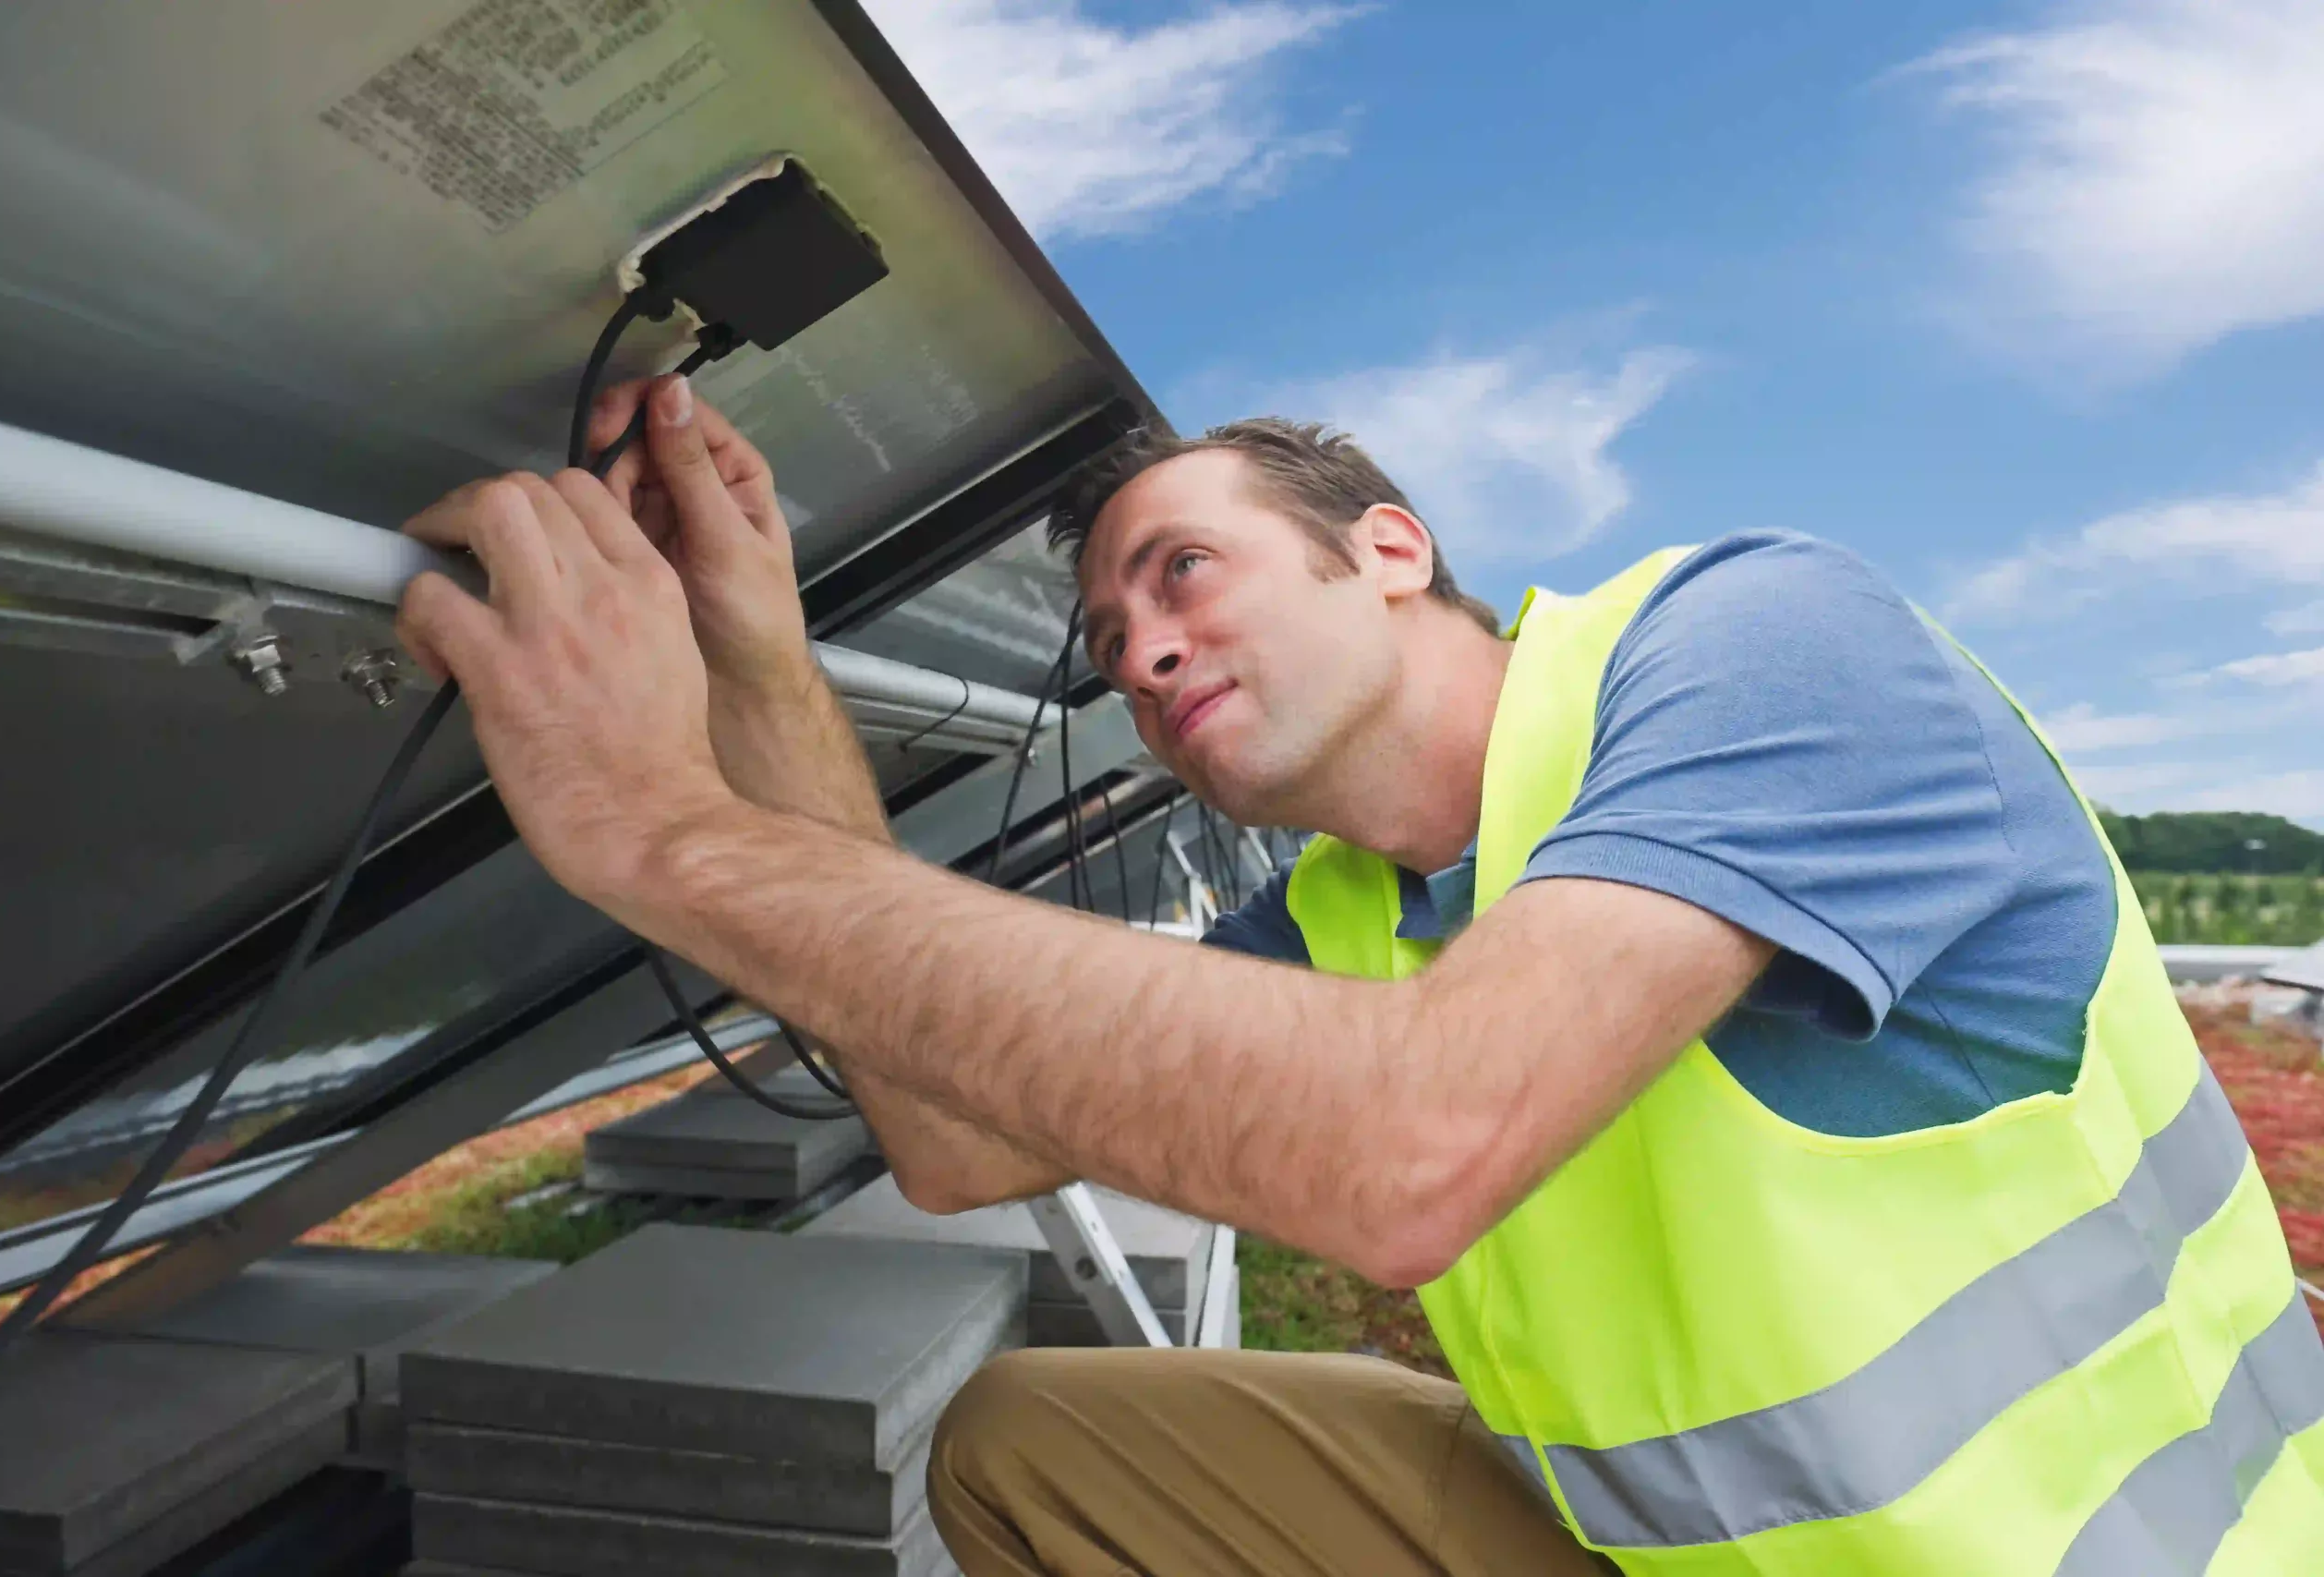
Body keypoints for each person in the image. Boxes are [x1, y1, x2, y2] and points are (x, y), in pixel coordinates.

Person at [394, 372, 2324, 1576]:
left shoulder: (1755, 645)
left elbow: (1410, 1143)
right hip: (1658, 1557)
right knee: (1035, 1451)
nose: (1136, 650)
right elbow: (954, 1131)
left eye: (1181, 570)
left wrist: (658, 831)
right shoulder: (1342, 905)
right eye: (1105, 635)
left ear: (1385, 548)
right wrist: (758, 660)